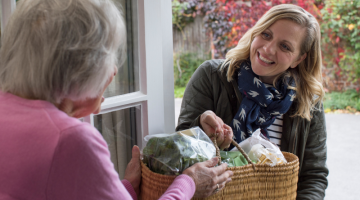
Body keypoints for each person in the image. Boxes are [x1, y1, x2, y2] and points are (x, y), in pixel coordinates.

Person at [0, 0, 233, 199]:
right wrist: (189, 182)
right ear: (81, 66)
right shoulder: (72, 140)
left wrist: (126, 187)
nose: (113, 70)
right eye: (109, 54)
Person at [177, 4, 328, 200]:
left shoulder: (308, 102)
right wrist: (200, 128)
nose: (268, 49)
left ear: (298, 59)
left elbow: (313, 177)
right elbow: (178, 151)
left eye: (285, 46)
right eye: (266, 35)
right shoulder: (211, 77)